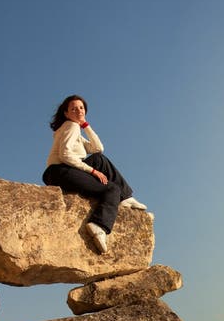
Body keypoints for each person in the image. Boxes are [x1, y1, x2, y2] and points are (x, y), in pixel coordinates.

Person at [42, 94, 147, 254]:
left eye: (81, 108)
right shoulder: (71, 126)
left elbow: (98, 149)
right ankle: (99, 225)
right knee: (111, 189)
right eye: (74, 108)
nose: (79, 110)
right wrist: (92, 171)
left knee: (99, 159)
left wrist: (86, 125)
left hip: (64, 170)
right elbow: (65, 155)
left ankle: (126, 198)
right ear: (66, 113)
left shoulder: (75, 128)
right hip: (59, 171)